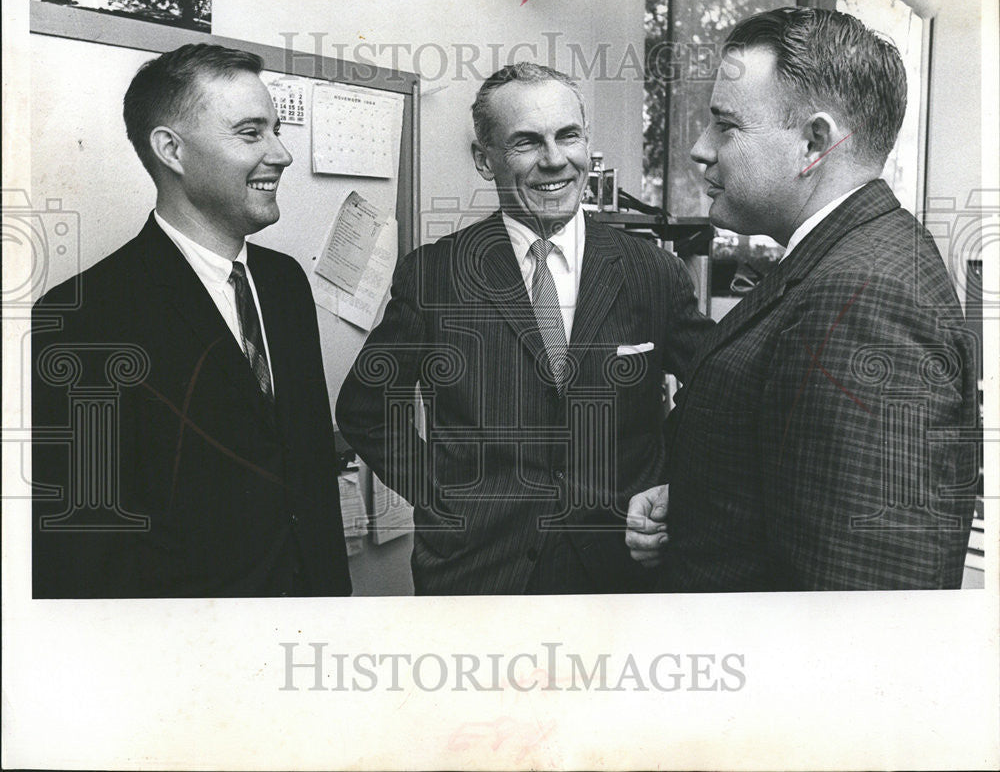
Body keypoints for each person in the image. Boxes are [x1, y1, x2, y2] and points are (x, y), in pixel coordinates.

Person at [626, 7, 979, 590]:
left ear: (814, 141)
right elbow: (803, 471)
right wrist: (698, 497)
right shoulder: (841, 258)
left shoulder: (864, 295)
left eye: (726, 125)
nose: (698, 149)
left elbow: (862, 601)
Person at [336, 63, 713, 595]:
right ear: (483, 159)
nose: (554, 159)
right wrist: (441, 495)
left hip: (618, 571)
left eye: (568, 136)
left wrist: (670, 485)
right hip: (477, 571)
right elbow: (363, 407)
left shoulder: (652, 270)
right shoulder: (435, 274)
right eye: (526, 142)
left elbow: (720, 391)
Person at [32, 43, 352, 598]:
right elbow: (83, 547)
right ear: (171, 150)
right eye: (251, 132)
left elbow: (305, 466)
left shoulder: (285, 283)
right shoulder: (84, 318)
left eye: (276, 130)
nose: (281, 154)